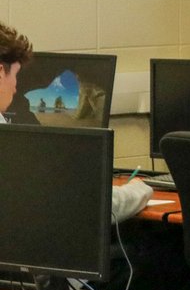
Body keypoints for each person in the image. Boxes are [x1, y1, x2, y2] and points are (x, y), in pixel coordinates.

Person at [0, 22, 151, 224]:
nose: (16, 87)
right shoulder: (13, 144)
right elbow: (92, 205)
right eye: (16, 75)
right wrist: (140, 189)